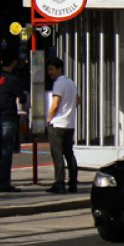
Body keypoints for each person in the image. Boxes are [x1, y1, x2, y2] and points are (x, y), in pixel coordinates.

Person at [0, 54, 28, 192]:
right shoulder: (11, 79)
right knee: (6, 151)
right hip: (8, 116)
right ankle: (4, 183)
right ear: (14, 62)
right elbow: (22, 97)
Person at [45, 56, 80, 194]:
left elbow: (55, 104)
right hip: (69, 124)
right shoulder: (71, 83)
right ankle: (73, 183)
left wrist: (49, 120)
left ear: (59, 69)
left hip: (58, 123)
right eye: (48, 69)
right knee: (69, 154)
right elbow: (78, 100)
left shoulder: (58, 83)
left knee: (57, 154)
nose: (50, 72)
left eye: (52, 69)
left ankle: (59, 183)